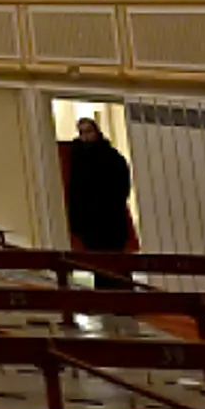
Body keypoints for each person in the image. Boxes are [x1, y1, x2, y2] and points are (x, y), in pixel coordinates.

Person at [66, 118, 135, 291]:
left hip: (111, 218)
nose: (85, 136)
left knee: (116, 260)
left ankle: (125, 298)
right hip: (90, 221)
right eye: (82, 132)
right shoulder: (78, 159)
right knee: (98, 264)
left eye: (88, 131)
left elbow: (122, 186)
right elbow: (75, 190)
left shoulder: (111, 156)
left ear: (97, 132)